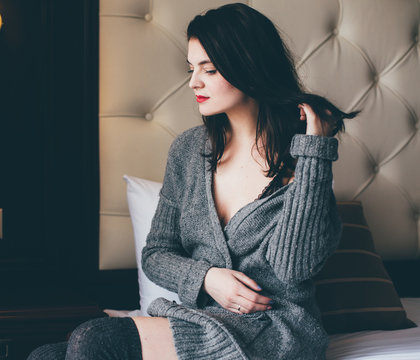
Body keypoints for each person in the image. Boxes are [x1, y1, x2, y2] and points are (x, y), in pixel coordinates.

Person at [27, 3, 358, 360]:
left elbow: (295, 268)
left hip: (275, 328)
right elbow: (156, 254)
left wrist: (315, 152)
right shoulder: (188, 151)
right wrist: (207, 277)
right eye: (191, 68)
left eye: (209, 69)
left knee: (97, 339)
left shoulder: (304, 158)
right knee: (46, 354)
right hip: (203, 317)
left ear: (249, 66)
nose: (193, 82)